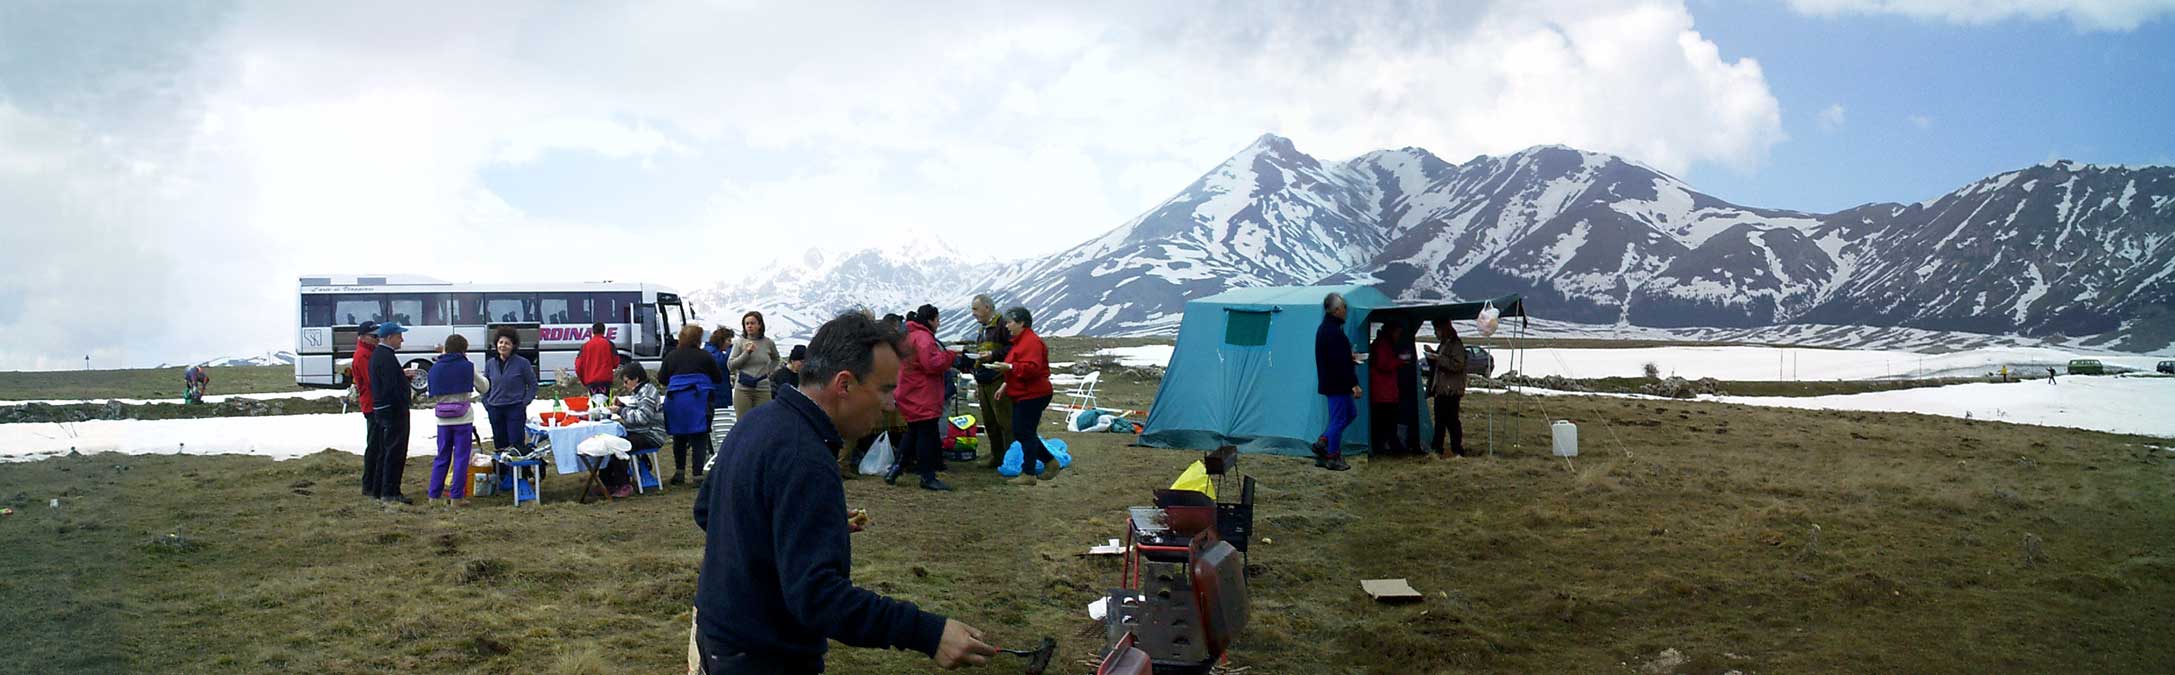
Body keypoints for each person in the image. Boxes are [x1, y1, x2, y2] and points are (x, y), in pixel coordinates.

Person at [691, 311, 998, 674]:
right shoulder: (806, 456)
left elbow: (709, 510)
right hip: (765, 655)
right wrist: (929, 633)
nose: (891, 404)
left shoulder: (759, 421)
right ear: (845, 384)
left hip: (717, 636)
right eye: (884, 390)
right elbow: (818, 598)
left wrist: (803, 524)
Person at [885, 305, 960, 492]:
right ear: (931, 320)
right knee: (926, 434)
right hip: (922, 392)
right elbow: (932, 364)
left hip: (909, 390)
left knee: (913, 432)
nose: (939, 323)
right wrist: (950, 355)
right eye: (937, 320)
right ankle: (927, 476)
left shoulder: (907, 335)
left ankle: (896, 469)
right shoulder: (924, 337)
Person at [989, 307, 1057, 486]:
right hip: (1024, 393)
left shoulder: (1031, 342)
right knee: (1023, 431)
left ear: (1021, 323)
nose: (1007, 325)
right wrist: (1005, 384)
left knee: (1023, 431)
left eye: (1010, 322)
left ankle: (1029, 472)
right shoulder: (1020, 342)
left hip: (1033, 393)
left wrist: (1009, 369)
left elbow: (1032, 368)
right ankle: (1049, 462)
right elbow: (1016, 364)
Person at [425, 334, 491, 504]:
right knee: (461, 458)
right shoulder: (467, 366)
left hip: (442, 420)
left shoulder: (435, 367)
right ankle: (456, 497)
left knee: (442, 456)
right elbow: (484, 387)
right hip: (463, 419)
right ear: (464, 349)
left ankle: (433, 495)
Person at [661, 324, 727, 485]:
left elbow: (662, 378)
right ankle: (697, 474)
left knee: (679, 436)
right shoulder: (705, 356)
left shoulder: (672, 356)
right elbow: (718, 378)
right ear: (698, 339)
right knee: (700, 436)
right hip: (700, 400)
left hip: (676, 401)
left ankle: (679, 472)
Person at [367, 322, 418, 503]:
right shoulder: (386, 357)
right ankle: (391, 492)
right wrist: (404, 398)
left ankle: (378, 489)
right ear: (389, 337)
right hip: (394, 411)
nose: (402, 339)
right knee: (394, 452)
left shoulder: (377, 355)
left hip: (382, 409)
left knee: (384, 451)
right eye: (399, 336)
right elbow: (391, 386)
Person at [603, 361, 666, 499]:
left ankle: (624, 485)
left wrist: (621, 410)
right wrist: (623, 405)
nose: (625, 386)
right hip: (643, 431)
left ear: (636, 379)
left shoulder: (648, 392)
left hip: (651, 434)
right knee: (609, 442)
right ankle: (608, 483)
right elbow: (639, 411)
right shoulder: (642, 391)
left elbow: (642, 418)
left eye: (626, 382)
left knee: (618, 445)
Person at [1310, 293, 1358, 471]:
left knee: (1350, 414)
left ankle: (1323, 442)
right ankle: (1332, 456)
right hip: (1336, 384)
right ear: (1337, 310)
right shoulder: (1333, 332)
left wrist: (1348, 357)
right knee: (1338, 420)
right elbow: (1339, 363)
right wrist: (1354, 383)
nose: (1346, 310)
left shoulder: (1328, 329)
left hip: (1335, 382)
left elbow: (1337, 357)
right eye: (1344, 307)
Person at [966, 295, 1013, 471]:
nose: (973, 314)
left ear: (987, 307)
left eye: (975, 309)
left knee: (1005, 422)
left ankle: (1010, 458)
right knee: (990, 422)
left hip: (998, 379)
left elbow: (1012, 349)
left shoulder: (1002, 324)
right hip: (984, 380)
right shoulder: (982, 329)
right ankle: (996, 455)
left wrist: (993, 356)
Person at [482, 327, 539, 461]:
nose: (503, 345)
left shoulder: (522, 363)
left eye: (507, 343)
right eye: (501, 342)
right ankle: (503, 476)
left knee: (516, 445)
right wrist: (486, 403)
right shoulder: (490, 364)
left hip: (515, 409)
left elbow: (533, 384)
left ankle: (519, 477)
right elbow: (485, 385)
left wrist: (524, 402)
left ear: (513, 346)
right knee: (500, 445)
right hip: (495, 409)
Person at [1367, 321, 1415, 454]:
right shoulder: (1383, 345)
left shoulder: (1381, 343)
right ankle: (1390, 447)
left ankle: (1387, 446)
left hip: (1383, 391)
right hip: (1383, 392)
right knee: (1387, 422)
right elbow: (1383, 365)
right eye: (1397, 332)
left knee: (1383, 422)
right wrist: (1400, 361)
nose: (1398, 336)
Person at [1425, 319, 1470, 457]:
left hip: (1451, 390)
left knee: (1451, 421)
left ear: (1443, 329)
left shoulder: (1455, 345)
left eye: (1436, 330)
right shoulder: (1445, 344)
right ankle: (1438, 448)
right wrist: (1432, 355)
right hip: (1443, 388)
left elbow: (1458, 364)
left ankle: (1456, 449)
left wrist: (1438, 358)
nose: (1435, 333)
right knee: (1440, 420)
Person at [728, 311, 782, 418]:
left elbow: (776, 359)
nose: (749, 326)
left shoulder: (768, 343)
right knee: (743, 422)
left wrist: (768, 370)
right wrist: (746, 353)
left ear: (759, 325)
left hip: (762, 388)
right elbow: (731, 365)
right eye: (747, 324)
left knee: (763, 421)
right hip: (743, 389)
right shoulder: (739, 343)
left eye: (752, 323)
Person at [353, 321, 383, 500]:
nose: (377, 339)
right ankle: (369, 485)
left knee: (376, 445)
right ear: (363, 337)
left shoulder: (368, 353)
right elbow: (372, 380)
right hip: (372, 404)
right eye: (374, 336)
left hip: (372, 403)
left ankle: (371, 484)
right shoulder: (363, 355)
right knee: (374, 446)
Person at [576, 321, 618, 396]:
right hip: (605, 382)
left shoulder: (585, 346)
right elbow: (616, 363)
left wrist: (584, 381)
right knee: (606, 406)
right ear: (604, 331)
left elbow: (578, 366)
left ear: (593, 332)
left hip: (591, 382)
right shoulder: (610, 344)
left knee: (594, 406)